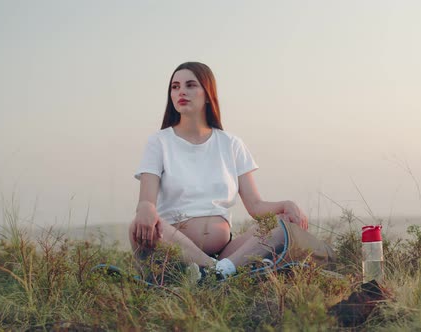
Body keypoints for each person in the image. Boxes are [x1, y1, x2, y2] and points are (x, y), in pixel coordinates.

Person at [129, 62, 327, 280]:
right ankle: (217, 272)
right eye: (175, 87)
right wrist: (145, 208)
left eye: (190, 85)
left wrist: (286, 205)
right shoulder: (160, 142)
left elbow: (256, 206)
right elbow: (146, 202)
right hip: (176, 250)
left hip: (228, 252)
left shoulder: (231, 144)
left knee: (279, 223)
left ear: (207, 94)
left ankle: (218, 271)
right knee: (139, 225)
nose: (181, 92)